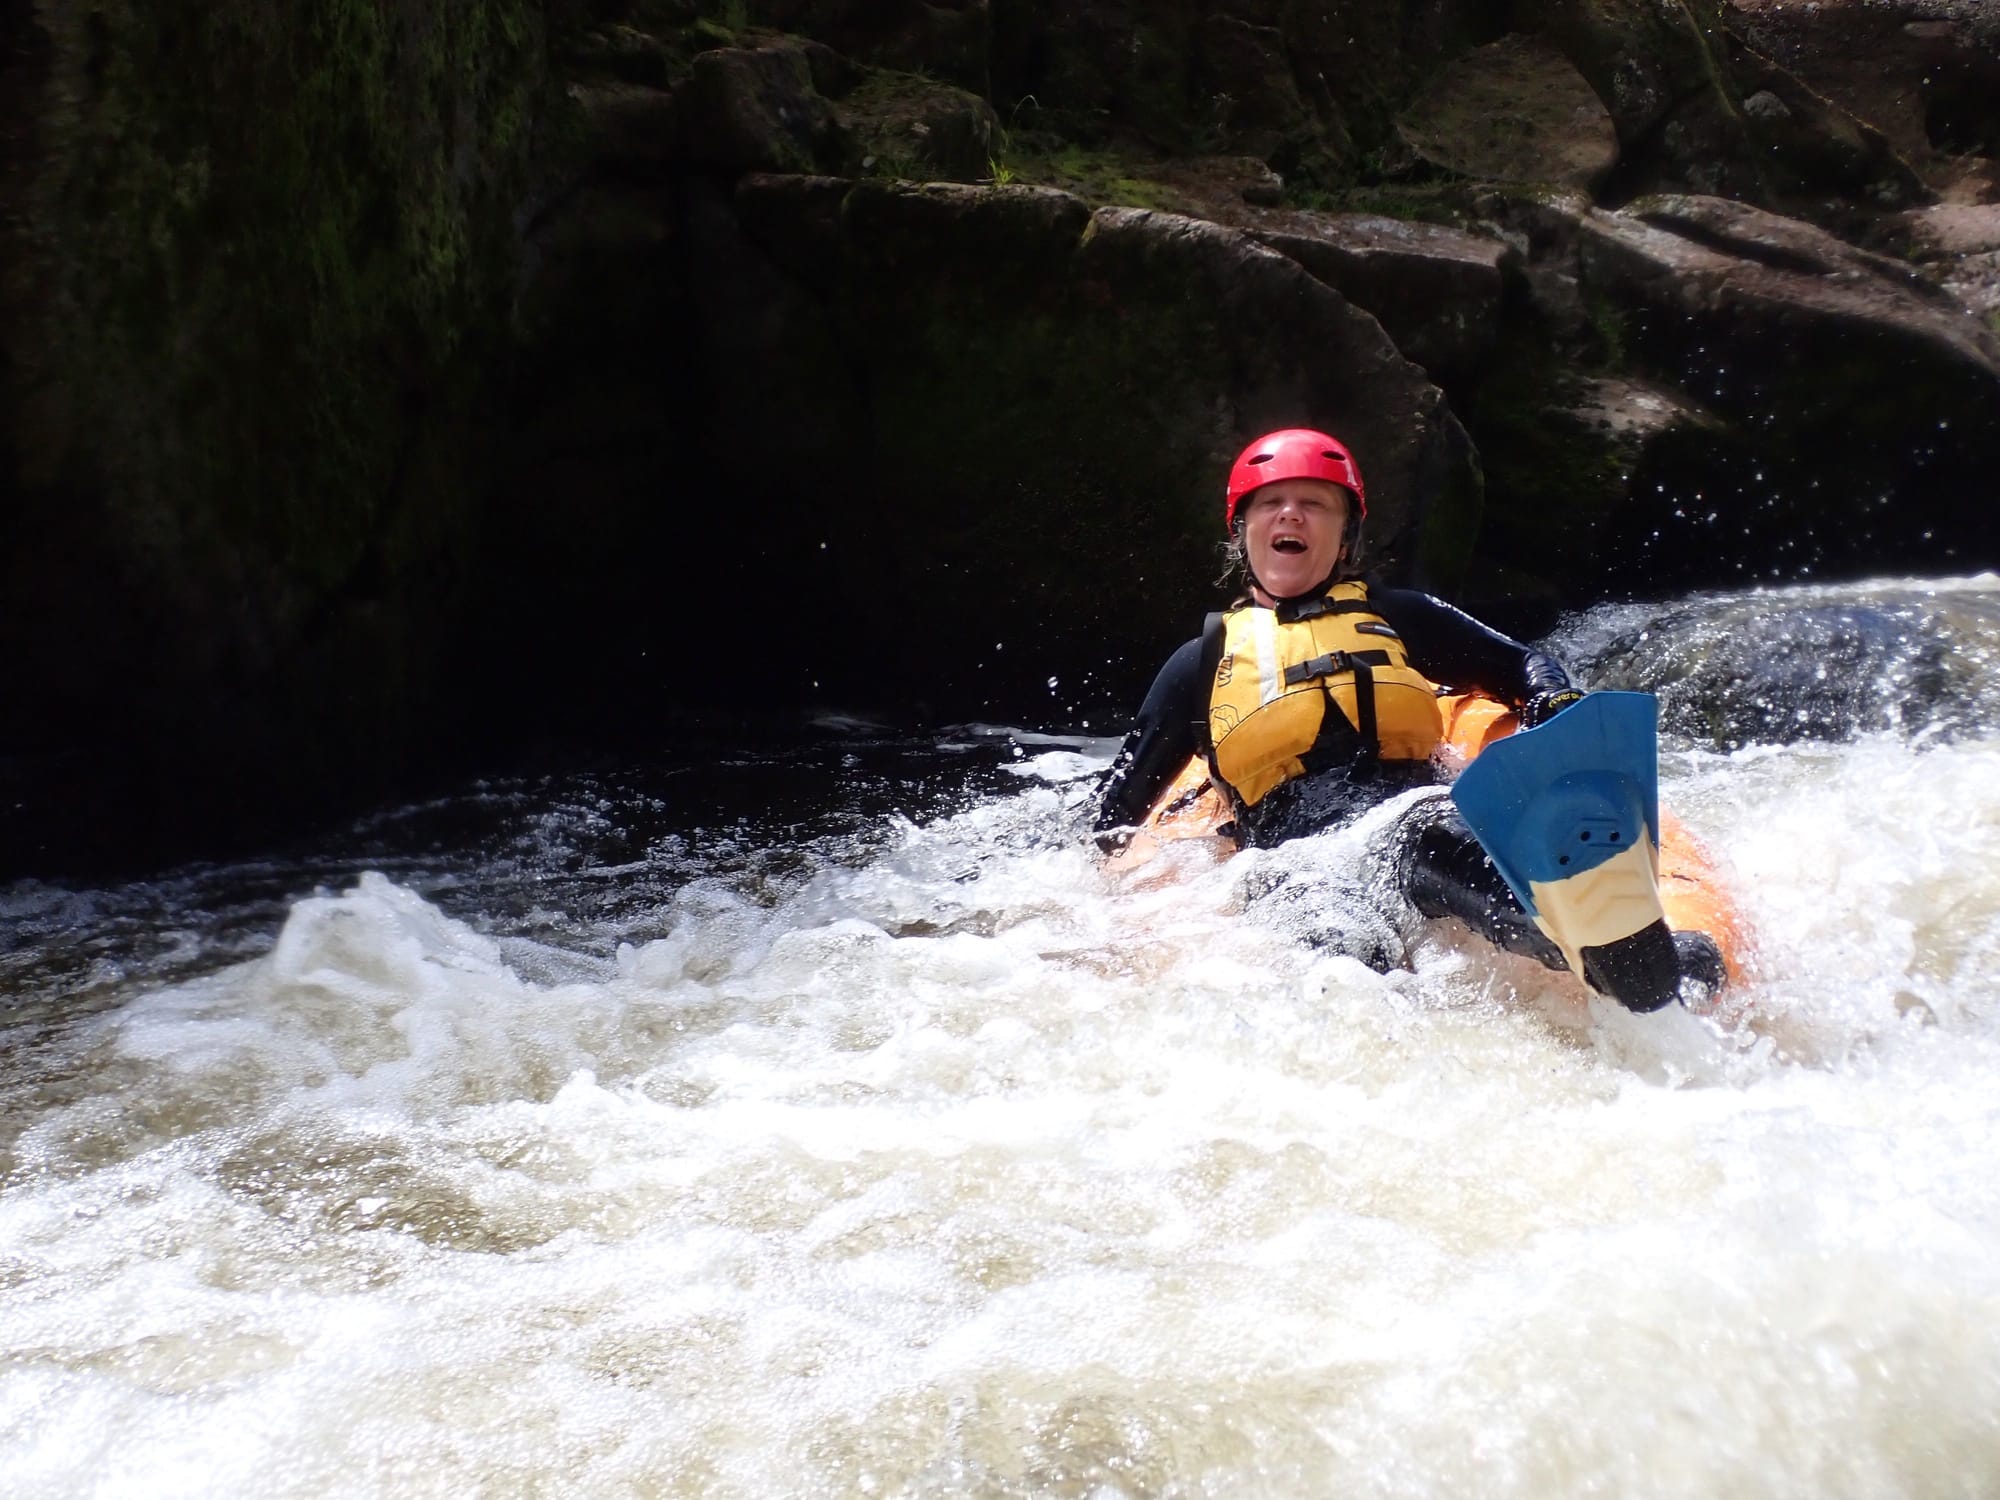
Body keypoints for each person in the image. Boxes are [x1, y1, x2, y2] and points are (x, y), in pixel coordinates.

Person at [1092, 427, 1715, 1012]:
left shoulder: (1397, 615)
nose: (1290, 515)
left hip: (1406, 812)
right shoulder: (1199, 664)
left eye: (1314, 504)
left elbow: (1522, 665)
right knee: (1336, 961)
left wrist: (1549, 701)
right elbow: (1113, 815)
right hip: (1288, 864)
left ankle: (1607, 952)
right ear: (1242, 530)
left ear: (1346, 534)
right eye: (1271, 503)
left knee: (1438, 845)